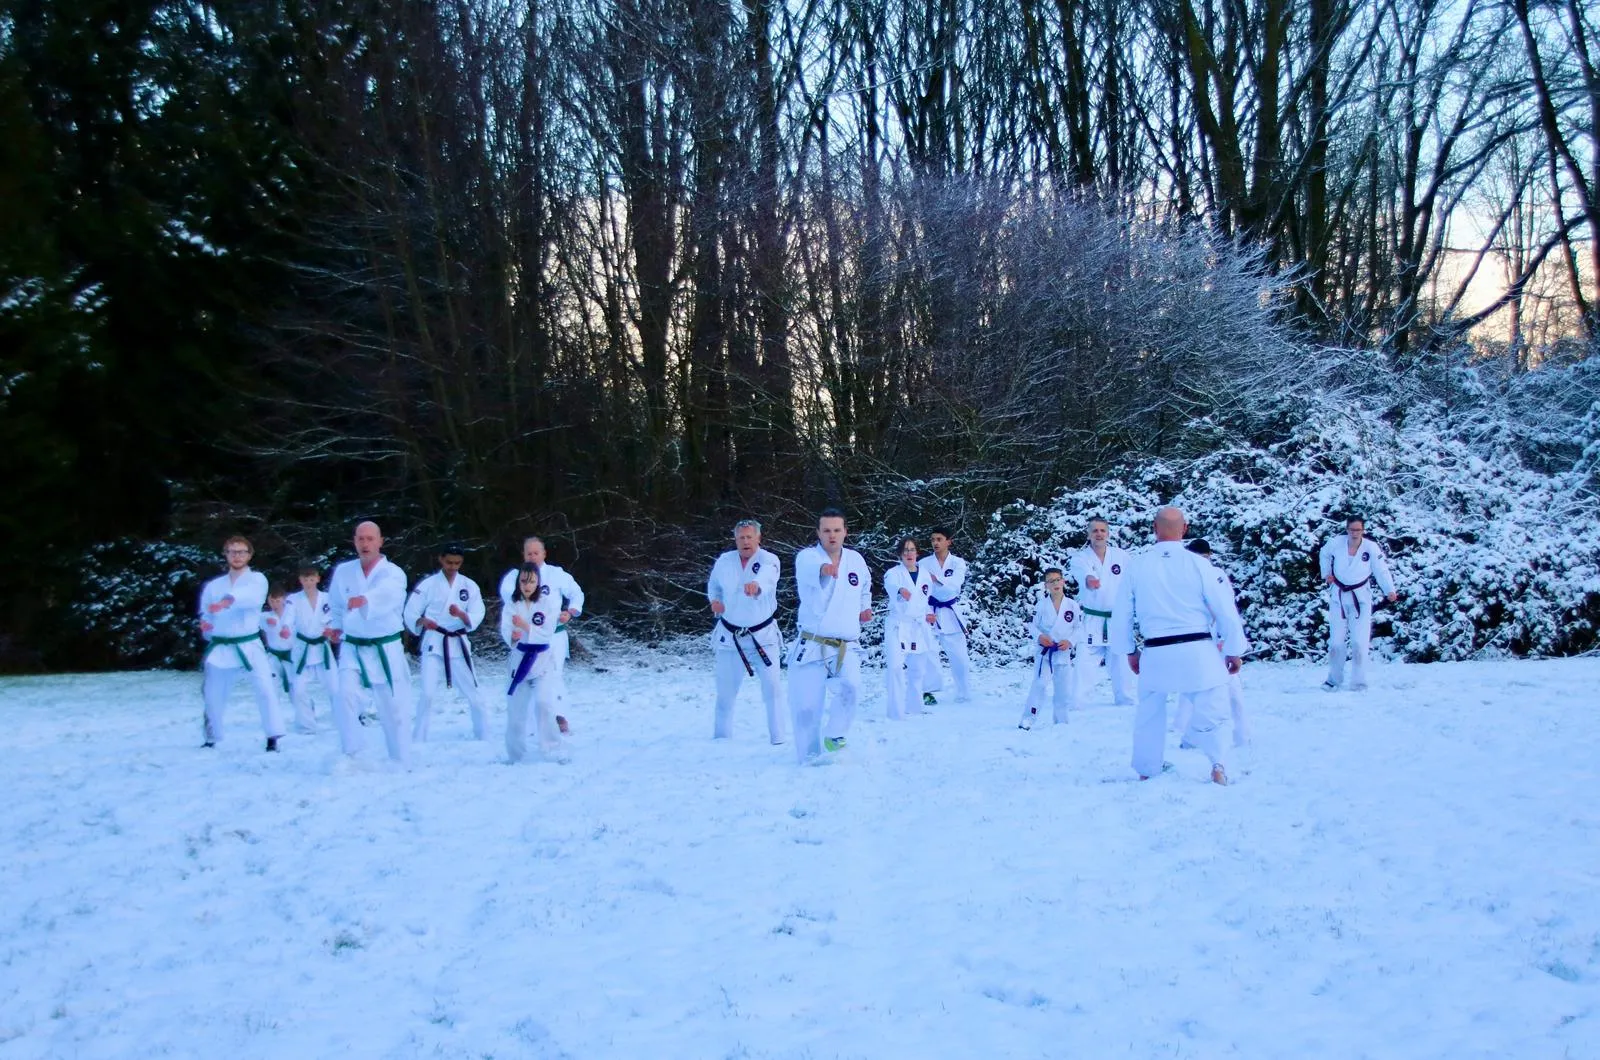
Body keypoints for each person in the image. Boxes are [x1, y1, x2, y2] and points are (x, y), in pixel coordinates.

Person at [1109, 507, 1249, 785]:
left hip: (1156, 649)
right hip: (1197, 648)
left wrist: (1129, 650)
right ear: (1184, 529)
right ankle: (1218, 763)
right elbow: (1224, 609)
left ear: (1154, 528)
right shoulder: (1200, 565)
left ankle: (1147, 767)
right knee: (1213, 706)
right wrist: (1234, 648)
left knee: (1149, 710)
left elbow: (1122, 613)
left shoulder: (1137, 565)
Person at [787, 507, 873, 762]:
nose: (832, 536)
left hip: (846, 643)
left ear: (845, 532)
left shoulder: (856, 560)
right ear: (818, 533)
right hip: (813, 643)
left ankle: (835, 734)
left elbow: (865, 586)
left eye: (837, 530)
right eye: (826, 531)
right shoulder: (807, 557)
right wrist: (825, 569)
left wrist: (864, 607)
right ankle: (808, 756)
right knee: (806, 707)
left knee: (852, 687)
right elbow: (811, 570)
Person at [327, 520, 414, 765]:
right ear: (354, 541)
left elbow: (388, 594)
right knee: (343, 696)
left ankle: (400, 757)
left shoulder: (393, 573)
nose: (365, 544)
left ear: (380, 541)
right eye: (360, 539)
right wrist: (335, 626)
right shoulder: (344, 571)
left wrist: (365, 599)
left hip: (385, 648)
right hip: (352, 646)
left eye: (370, 539)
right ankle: (351, 753)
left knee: (392, 706)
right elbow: (335, 604)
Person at [196, 535, 286, 751]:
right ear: (225, 554)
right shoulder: (213, 586)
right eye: (232, 551)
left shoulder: (257, 579)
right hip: (221, 645)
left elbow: (251, 597)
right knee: (212, 692)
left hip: (249, 644)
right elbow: (206, 614)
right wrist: (206, 625)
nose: (237, 556)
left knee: (265, 688)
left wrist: (227, 601)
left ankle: (272, 736)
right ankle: (212, 736)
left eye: (241, 552)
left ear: (250, 555)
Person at [706, 519, 787, 744]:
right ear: (735, 540)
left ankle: (778, 738)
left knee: (772, 690)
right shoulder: (724, 561)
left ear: (758, 538)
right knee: (725, 693)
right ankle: (721, 737)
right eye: (741, 537)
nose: (745, 541)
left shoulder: (769, 560)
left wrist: (756, 585)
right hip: (730, 637)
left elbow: (769, 578)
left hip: (763, 637)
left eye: (750, 537)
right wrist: (715, 601)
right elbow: (713, 586)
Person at [498, 536, 584, 731]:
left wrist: (570, 611)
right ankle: (530, 719)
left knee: (554, 674)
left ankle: (559, 716)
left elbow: (577, 593)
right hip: (526, 638)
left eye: (536, 552)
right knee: (525, 678)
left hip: (553, 635)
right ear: (524, 555)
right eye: (529, 553)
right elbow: (510, 602)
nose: (533, 556)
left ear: (544, 553)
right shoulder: (514, 577)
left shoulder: (556, 574)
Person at [405, 543, 489, 741]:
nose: (453, 567)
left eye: (457, 563)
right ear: (441, 560)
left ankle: (483, 735)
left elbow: (478, 613)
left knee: (475, 694)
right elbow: (411, 611)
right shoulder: (428, 585)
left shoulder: (469, 585)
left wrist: (461, 614)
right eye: (449, 562)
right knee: (427, 693)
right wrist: (422, 621)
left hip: (458, 642)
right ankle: (419, 737)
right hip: (435, 641)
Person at [1172, 540, 1251, 749]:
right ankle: (1187, 733)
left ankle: (1240, 735)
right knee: (1192, 687)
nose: (1202, 562)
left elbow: (1227, 610)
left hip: (1217, 637)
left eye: (1205, 558)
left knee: (1231, 689)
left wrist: (1231, 645)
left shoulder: (1217, 575)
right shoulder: (1180, 577)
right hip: (1192, 638)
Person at [1318, 516, 1398, 692]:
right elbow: (1323, 554)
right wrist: (1327, 573)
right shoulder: (1336, 543)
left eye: (1358, 530)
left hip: (1360, 597)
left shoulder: (1370, 548)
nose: (1354, 533)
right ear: (1347, 529)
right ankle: (1333, 679)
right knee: (1336, 642)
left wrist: (1389, 590)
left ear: (1363, 530)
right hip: (1338, 595)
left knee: (1359, 642)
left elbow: (1381, 570)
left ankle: (1359, 682)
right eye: (1351, 530)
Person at [500, 563, 566, 762]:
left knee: (544, 703)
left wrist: (526, 627)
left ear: (538, 582)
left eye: (531, 581)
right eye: (523, 581)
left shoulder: (548, 603)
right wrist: (512, 635)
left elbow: (547, 633)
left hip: (542, 661)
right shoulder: (512, 605)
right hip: (519, 661)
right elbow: (506, 631)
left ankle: (554, 749)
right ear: (518, 582)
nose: (527, 586)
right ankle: (515, 754)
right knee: (516, 712)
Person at [1070, 517, 1137, 707]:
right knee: (1085, 660)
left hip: (1117, 618)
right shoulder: (1080, 558)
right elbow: (1083, 573)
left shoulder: (1122, 556)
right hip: (1093, 618)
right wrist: (1090, 579)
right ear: (1088, 534)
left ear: (1108, 533)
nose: (1098, 534)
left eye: (1102, 530)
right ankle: (1078, 702)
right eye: (1094, 531)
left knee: (1121, 660)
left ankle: (1126, 700)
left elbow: (1133, 580)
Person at [1018, 567, 1079, 730]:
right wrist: (1039, 637)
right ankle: (1028, 719)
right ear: (1046, 585)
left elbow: (1079, 628)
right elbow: (1032, 625)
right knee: (1039, 685)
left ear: (1063, 581)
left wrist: (1070, 641)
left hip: (1063, 653)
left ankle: (1062, 721)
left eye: (1058, 579)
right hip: (1045, 654)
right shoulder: (1041, 605)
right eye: (1051, 581)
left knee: (1063, 689)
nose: (1056, 583)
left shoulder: (1072, 605)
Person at [882, 536, 936, 720]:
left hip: (918, 625)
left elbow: (925, 599)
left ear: (917, 552)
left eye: (912, 549)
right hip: (898, 625)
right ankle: (895, 711)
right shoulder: (893, 573)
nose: (909, 553)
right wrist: (900, 591)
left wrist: (928, 613)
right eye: (905, 550)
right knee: (896, 667)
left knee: (918, 669)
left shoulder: (925, 574)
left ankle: (915, 706)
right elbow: (890, 585)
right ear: (900, 554)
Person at [286, 563, 342, 734]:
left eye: (312, 579)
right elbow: (287, 620)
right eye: (305, 579)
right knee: (299, 689)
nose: (309, 582)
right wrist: (285, 629)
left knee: (335, 687)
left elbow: (335, 618)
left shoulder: (328, 598)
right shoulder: (292, 600)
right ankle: (306, 725)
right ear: (300, 580)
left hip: (322, 648)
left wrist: (331, 630)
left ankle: (343, 719)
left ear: (318, 579)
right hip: (302, 649)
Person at [921, 527, 971, 704]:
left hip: (950, 612)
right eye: (933, 539)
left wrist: (937, 580)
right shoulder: (924, 564)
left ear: (948, 541)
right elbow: (921, 590)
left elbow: (955, 586)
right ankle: (929, 692)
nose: (935, 542)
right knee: (928, 653)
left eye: (939, 539)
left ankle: (964, 693)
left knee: (959, 656)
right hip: (930, 611)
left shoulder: (958, 563)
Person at [259, 584, 295, 701]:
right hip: (273, 656)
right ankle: (273, 713)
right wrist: (267, 621)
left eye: (278, 601)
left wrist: (286, 628)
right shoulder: (265, 616)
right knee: (271, 687)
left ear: (284, 600)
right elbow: (258, 621)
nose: (275, 604)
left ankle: (306, 711)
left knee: (295, 688)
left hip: (291, 655)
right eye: (272, 601)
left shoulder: (292, 613)